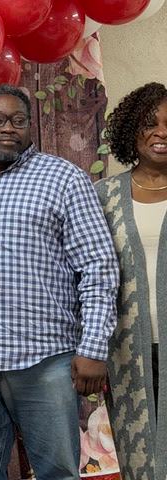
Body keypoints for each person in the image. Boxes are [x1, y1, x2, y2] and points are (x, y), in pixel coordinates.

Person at [0, 84, 119, 480]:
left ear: (29, 126)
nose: (8, 128)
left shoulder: (64, 178)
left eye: (18, 120)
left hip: (46, 360)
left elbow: (98, 266)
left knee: (57, 472)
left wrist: (93, 347)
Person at [96, 82, 167, 480]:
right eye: (149, 123)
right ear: (130, 130)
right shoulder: (103, 196)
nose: (161, 132)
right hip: (127, 350)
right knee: (137, 452)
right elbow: (89, 275)